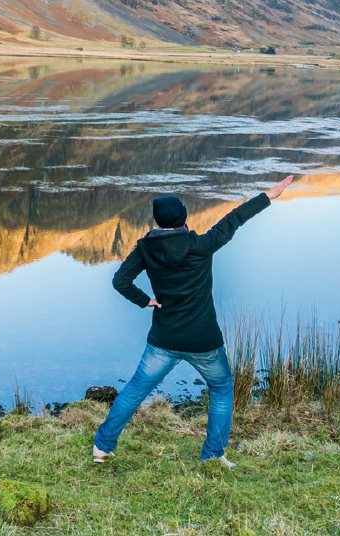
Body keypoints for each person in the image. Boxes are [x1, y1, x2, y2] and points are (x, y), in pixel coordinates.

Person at [92, 174, 296, 468]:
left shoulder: (146, 249)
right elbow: (234, 219)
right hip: (204, 340)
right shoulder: (201, 245)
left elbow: (120, 281)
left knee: (136, 389)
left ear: (158, 221)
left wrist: (145, 300)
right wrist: (269, 195)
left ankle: (102, 446)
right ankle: (213, 454)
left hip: (164, 339)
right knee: (223, 389)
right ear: (184, 218)